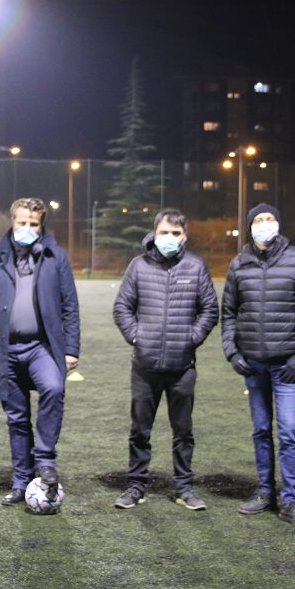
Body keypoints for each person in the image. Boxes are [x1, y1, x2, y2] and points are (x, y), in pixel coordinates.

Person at [0, 197, 80, 506]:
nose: (27, 228)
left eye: (34, 224)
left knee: (54, 388)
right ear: (12, 223)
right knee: (16, 418)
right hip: (4, 349)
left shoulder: (56, 257)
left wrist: (71, 349)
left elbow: (70, 305)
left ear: (41, 227)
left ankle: (45, 461)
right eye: (22, 223)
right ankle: (20, 481)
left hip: (41, 347)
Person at [220, 203, 295, 529]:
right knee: (261, 430)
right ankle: (265, 491)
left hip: (287, 365)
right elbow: (229, 314)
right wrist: (233, 353)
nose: (264, 224)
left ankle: (290, 500)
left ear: (278, 224)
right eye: (258, 220)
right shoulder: (239, 265)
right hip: (253, 364)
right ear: (250, 227)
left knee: (289, 431)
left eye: (270, 219)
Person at [112, 208, 219, 511]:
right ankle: (136, 486)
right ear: (154, 233)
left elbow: (210, 309)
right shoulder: (139, 266)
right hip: (144, 367)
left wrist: (190, 339)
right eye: (164, 232)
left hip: (182, 367)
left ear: (184, 236)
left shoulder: (196, 267)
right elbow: (122, 307)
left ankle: (184, 488)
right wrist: (137, 337)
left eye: (175, 233)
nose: (169, 238)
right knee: (139, 430)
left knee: (183, 432)